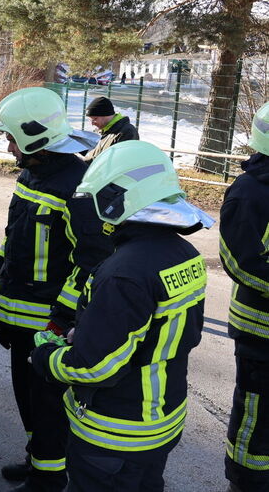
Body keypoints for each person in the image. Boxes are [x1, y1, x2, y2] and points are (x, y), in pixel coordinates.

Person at [31, 140, 213, 491]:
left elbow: (94, 367)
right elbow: (158, 331)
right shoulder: (184, 253)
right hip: (161, 422)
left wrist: (46, 357)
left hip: (115, 433)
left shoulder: (124, 272)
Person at [0, 87, 112, 492]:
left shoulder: (77, 190)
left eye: (12, 137)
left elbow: (91, 263)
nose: (8, 146)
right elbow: (13, 236)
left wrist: (61, 321)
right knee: (28, 400)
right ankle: (38, 461)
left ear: (35, 139)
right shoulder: (31, 174)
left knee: (49, 406)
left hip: (48, 327)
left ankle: (48, 482)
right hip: (18, 319)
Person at [222, 102, 269, 492]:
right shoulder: (251, 192)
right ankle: (245, 484)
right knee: (255, 421)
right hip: (261, 335)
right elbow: (241, 262)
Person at [83, 96, 139, 162]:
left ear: (106, 115)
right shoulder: (100, 130)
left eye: (95, 119)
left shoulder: (127, 132)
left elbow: (119, 162)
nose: (92, 123)